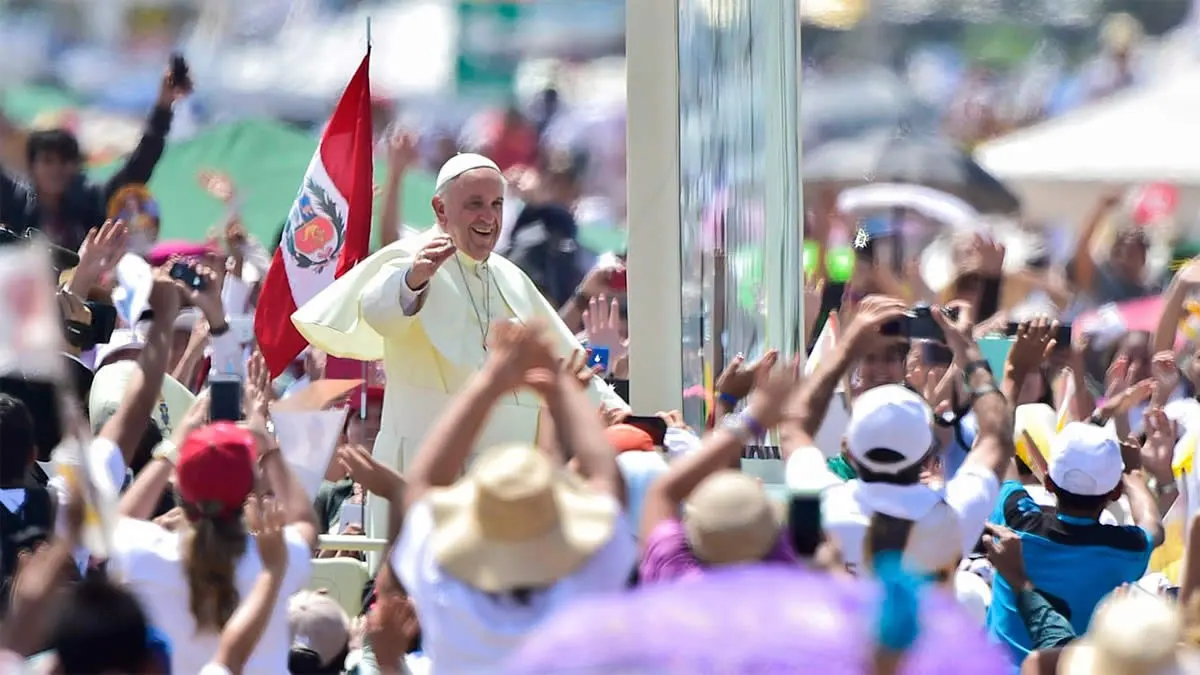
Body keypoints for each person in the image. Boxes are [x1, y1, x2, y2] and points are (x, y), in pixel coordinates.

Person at [292, 153, 627, 541]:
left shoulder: (509, 276)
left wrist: (616, 409)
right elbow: (378, 311)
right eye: (475, 204)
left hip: (508, 474)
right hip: (426, 466)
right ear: (440, 207)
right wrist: (414, 281)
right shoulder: (410, 256)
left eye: (497, 204)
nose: (489, 217)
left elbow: (564, 357)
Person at [985, 422, 1163, 666]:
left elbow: (1003, 460)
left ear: (1047, 482)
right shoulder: (1126, 548)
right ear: (1115, 493)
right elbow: (1154, 528)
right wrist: (1133, 475)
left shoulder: (1016, 524)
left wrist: (1009, 400)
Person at [0, 56, 190, 250]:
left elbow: (139, 166)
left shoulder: (91, 202)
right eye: (48, 161)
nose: (56, 169)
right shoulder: (17, 204)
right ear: (32, 165)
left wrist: (164, 106)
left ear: (76, 166)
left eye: (65, 161)